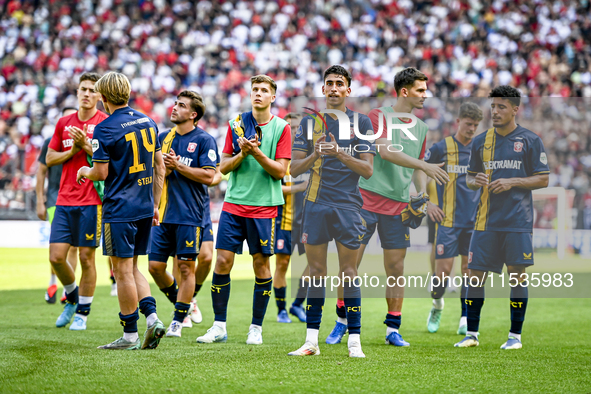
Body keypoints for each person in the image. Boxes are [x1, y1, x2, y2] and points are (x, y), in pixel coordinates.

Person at [328, 67, 449, 347]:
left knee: (396, 267)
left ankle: (393, 328)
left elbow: (418, 167)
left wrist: (421, 194)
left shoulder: (420, 127)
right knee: (350, 265)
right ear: (405, 91)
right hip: (365, 201)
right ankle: (342, 321)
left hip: (398, 207)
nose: (425, 95)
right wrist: (424, 166)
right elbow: (384, 150)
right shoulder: (377, 116)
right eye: (420, 90)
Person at [196, 75, 291, 345]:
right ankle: (219, 326)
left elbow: (280, 171)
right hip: (234, 204)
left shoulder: (282, 128)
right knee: (223, 261)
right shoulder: (236, 124)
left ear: (273, 97)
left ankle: (256, 328)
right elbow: (223, 167)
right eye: (254, 90)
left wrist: (256, 153)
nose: (258, 94)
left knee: (261, 264)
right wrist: (242, 154)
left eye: (264, 90)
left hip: (264, 208)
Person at [288, 65, 375, 358]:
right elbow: (293, 168)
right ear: (323, 89)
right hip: (315, 204)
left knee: (349, 273)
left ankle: (355, 343)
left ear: (348, 90)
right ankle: (311, 342)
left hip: (348, 206)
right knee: (316, 273)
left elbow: (368, 170)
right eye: (330, 83)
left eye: (340, 83)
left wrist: (339, 152)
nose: (334, 88)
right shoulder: (309, 123)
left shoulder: (361, 122)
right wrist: (316, 153)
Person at [77, 71, 166, 350]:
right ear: (127, 93)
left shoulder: (105, 128)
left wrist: (84, 170)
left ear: (103, 98)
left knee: (122, 270)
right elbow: (159, 167)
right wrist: (155, 204)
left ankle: (129, 335)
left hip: (120, 208)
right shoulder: (148, 121)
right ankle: (152, 319)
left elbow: (101, 173)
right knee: (134, 267)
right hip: (143, 206)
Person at [455, 86, 549, 350]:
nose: (494, 111)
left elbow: (543, 178)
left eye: (501, 107)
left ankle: (515, 337)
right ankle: (471, 334)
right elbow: (470, 177)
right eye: (493, 106)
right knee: (474, 277)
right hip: (485, 221)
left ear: (515, 109)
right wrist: (476, 180)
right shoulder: (480, 141)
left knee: (517, 277)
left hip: (517, 222)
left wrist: (513, 182)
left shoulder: (530, 140)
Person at [147, 90, 218, 338]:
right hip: (163, 214)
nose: (175, 108)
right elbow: (158, 174)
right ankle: (184, 303)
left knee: (186, 268)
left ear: (193, 114)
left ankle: (178, 320)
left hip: (190, 214)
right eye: (175, 103)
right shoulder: (163, 137)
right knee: (155, 267)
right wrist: (165, 172)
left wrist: (179, 165)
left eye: (181, 105)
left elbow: (209, 177)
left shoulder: (204, 140)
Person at [46, 73, 108, 330]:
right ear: (77, 91)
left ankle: (83, 312)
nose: (86, 94)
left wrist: (85, 146)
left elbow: (110, 159)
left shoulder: (104, 123)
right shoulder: (64, 123)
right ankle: (72, 297)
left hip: (92, 200)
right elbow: (50, 158)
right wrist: (72, 150)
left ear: (99, 96)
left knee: (86, 258)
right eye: (83, 89)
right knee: (56, 257)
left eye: (92, 90)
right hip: (64, 199)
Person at [424, 102, 483, 335]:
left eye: (476, 125)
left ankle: (465, 318)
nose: (471, 129)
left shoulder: (480, 149)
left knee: (468, 271)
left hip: (473, 222)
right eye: (469, 124)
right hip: (447, 221)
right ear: (458, 122)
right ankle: (437, 305)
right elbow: (421, 168)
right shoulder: (442, 147)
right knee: (441, 276)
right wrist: (427, 200)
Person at [37, 107, 79, 304]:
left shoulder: (82, 140)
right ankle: (53, 281)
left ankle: (67, 289)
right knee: (58, 245)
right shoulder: (50, 142)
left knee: (74, 248)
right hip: (55, 198)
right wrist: (40, 200)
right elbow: (41, 171)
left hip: (79, 198)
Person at [272, 113, 309, 324]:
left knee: (314, 264)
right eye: (291, 127)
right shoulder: (280, 157)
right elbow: (274, 189)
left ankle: (297, 304)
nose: (295, 131)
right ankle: (281, 310)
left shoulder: (310, 156)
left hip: (309, 221)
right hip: (284, 221)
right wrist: (299, 188)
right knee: (282, 265)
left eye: (298, 127)